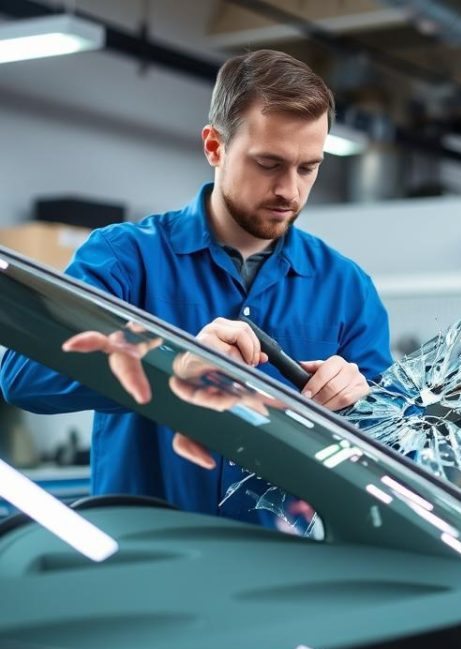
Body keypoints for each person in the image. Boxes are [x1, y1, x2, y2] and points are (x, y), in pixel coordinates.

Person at [0, 49, 392, 520]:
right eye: (269, 164)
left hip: (287, 568)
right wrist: (171, 360)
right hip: (148, 564)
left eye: (308, 167)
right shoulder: (125, 258)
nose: (289, 190)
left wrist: (363, 403)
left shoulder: (346, 287)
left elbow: (395, 454)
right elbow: (23, 376)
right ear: (214, 147)